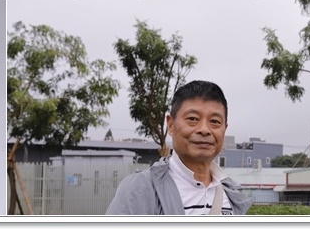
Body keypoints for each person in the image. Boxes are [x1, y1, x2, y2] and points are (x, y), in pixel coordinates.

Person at [106, 80, 251, 216]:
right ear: (170, 125)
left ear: (224, 129)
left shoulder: (232, 195)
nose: (204, 130)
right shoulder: (139, 190)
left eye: (215, 121)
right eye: (192, 119)